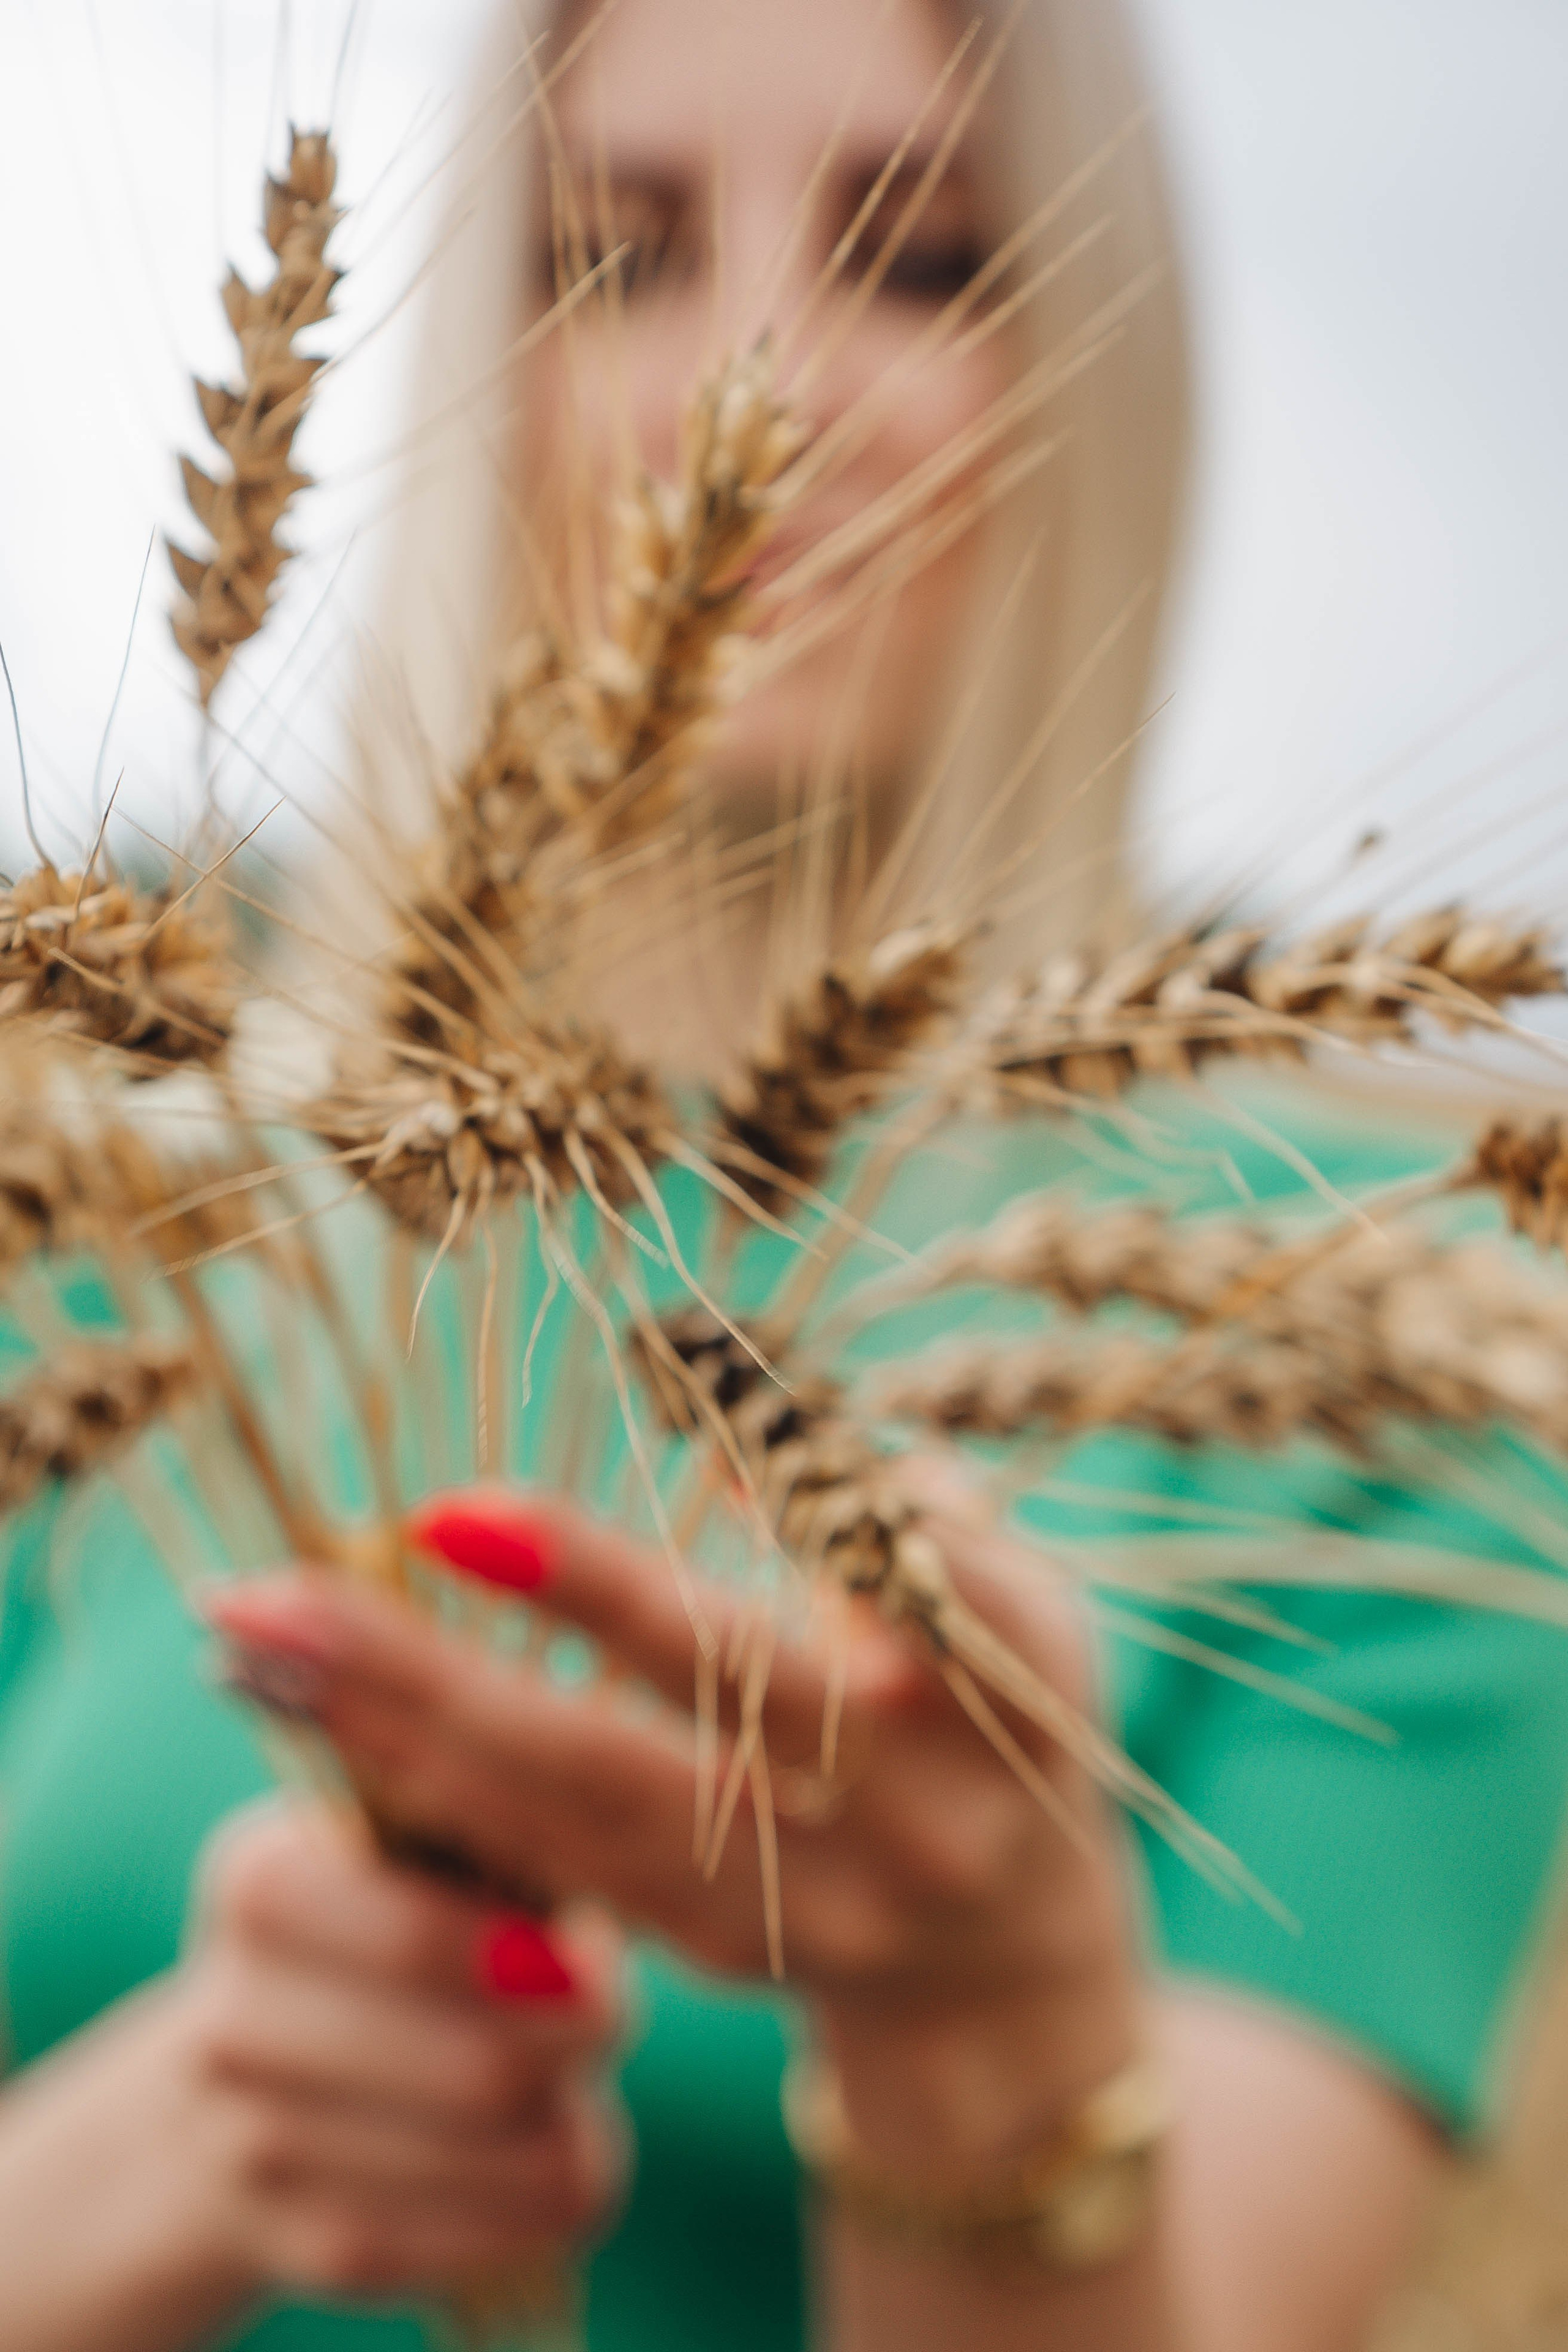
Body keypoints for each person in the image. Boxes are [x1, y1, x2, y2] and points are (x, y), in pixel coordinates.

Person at [3, 2, 1568, 2349]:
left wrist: (986, 2038)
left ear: (1104, 354)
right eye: (614, 258)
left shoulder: (1382, 1345)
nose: (755, 382)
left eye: (917, 260)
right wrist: (176, 2140)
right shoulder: (112, 1242)